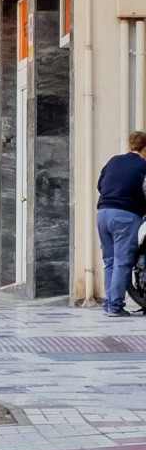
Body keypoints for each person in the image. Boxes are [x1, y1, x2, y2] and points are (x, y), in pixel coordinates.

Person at [96, 131, 146, 316]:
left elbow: (100, 185)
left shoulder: (114, 161)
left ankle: (109, 303)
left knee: (109, 261)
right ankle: (116, 306)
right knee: (123, 262)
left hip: (102, 214)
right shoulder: (143, 166)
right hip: (125, 215)